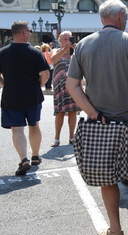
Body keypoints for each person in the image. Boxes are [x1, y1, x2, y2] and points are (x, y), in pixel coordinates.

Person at [67, 0, 128, 235]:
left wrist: (93, 113)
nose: (127, 20)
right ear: (119, 16)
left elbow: (72, 85)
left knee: (107, 176)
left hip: (101, 124)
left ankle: (116, 230)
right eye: (127, 17)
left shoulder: (84, 45)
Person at [0, 21, 50, 175]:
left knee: (17, 129)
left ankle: (24, 159)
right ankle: (35, 156)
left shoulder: (2, 52)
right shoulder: (35, 53)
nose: (30, 32)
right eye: (29, 30)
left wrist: (4, 84)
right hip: (32, 95)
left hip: (11, 95)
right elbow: (46, 74)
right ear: (23, 33)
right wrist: (37, 85)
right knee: (34, 125)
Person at [50, 31, 81, 147]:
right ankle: (56, 138)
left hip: (73, 86)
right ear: (59, 40)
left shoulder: (75, 53)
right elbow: (53, 60)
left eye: (69, 38)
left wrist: (78, 49)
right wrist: (65, 49)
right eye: (65, 39)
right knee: (60, 112)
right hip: (60, 86)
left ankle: (71, 137)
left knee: (72, 112)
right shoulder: (56, 51)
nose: (68, 41)